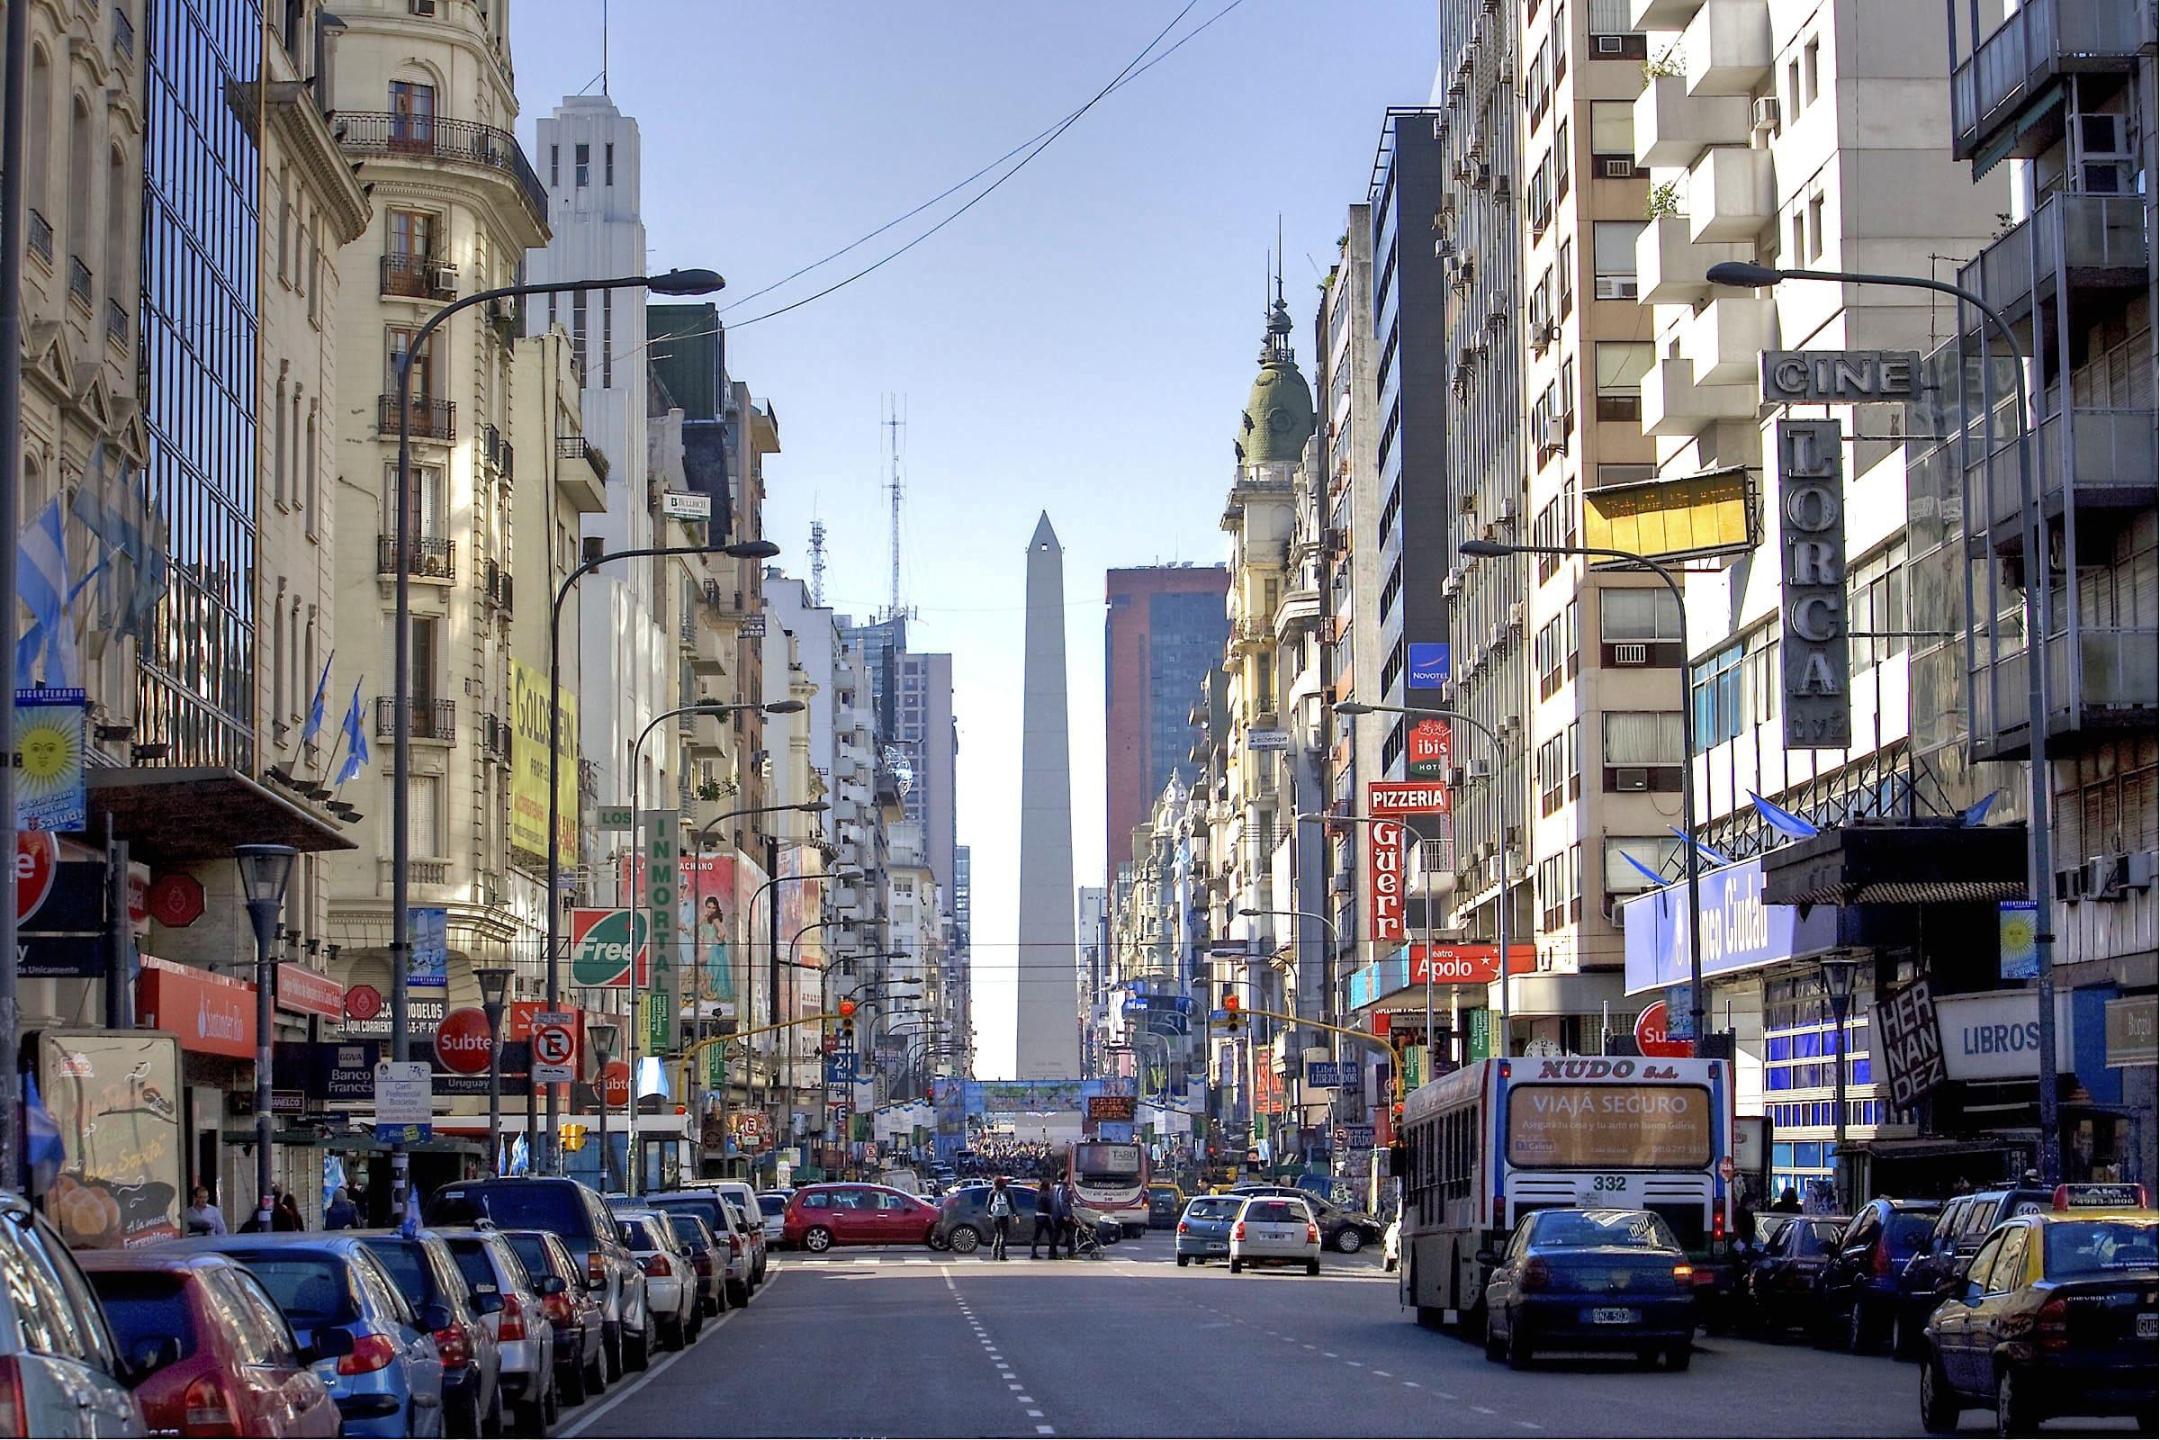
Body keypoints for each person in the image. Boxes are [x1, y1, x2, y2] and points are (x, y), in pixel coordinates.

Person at [986, 1176, 1014, 1261]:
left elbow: (988, 1204)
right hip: (1004, 1216)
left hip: (995, 1216)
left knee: (998, 1233)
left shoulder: (992, 1192)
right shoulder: (1007, 1192)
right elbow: (1011, 1204)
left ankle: (994, 1253)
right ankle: (1002, 1254)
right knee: (1003, 1235)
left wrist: (990, 1213)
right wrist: (1015, 1214)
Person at [1029, 1176, 1058, 1259]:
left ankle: (1033, 1252)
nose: (1051, 1186)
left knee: (1036, 1235)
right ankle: (1052, 1253)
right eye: (1050, 1185)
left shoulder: (1039, 1194)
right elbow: (1049, 1206)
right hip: (1045, 1216)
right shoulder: (1047, 1194)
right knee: (1052, 1235)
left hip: (1038, 1216)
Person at [1055, 1179, 1078, 1259]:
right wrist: (1066, 1215)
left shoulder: (1057, 1187)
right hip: (1064, 1216)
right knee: (1070, 1234)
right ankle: (1071, 1254)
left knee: (1057, 1235)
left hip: (1059, 1215)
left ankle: (1053, 1253)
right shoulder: (1064, 1188)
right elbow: (1063, 1202)